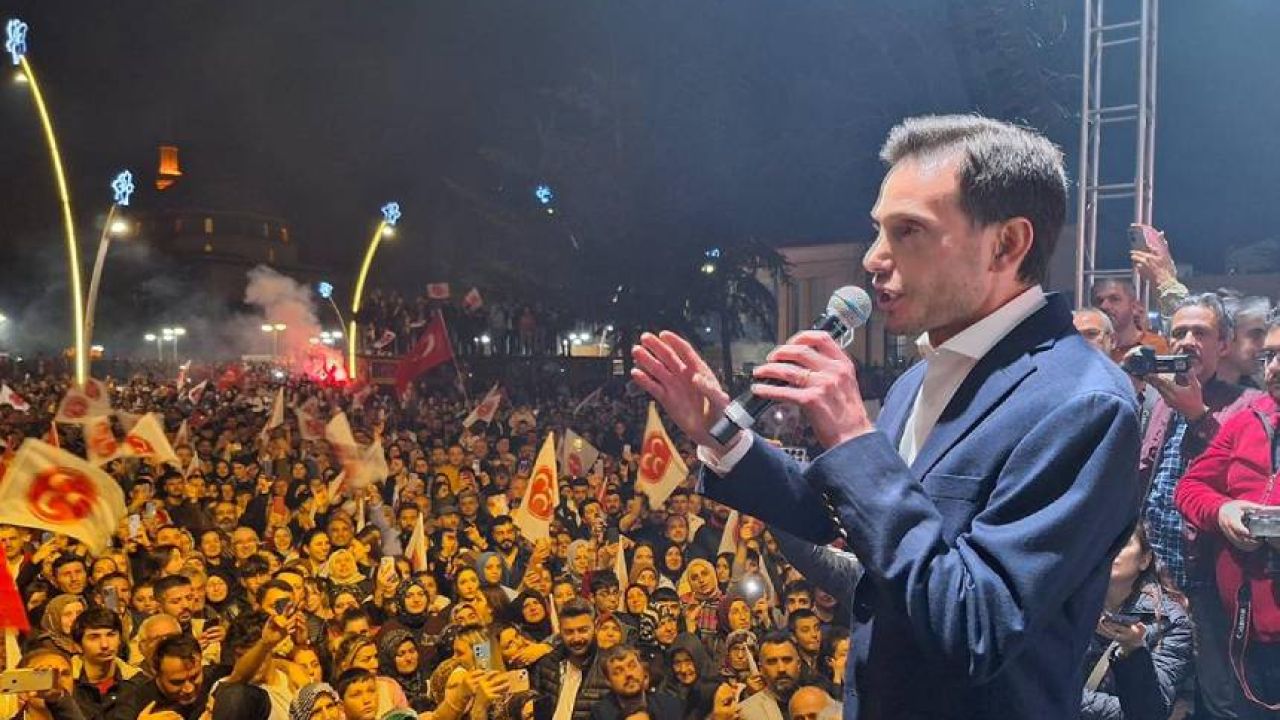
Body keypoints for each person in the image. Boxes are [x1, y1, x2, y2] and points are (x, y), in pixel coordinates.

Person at [632, 115, 1143, 718]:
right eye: (878, 230)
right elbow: (848, 522)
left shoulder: (1082, 403)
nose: (873, 258)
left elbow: (978, 627)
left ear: (1006, 244)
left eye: (908, 231)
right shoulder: (919, 379)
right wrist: (725, 437)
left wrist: (853, 439)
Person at [1175, 314, 1280, 718]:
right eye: (1269, 356)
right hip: (1244, 626)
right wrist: (1223, 510)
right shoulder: (1247, 419)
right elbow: (1190, 488)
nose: (1274, 368)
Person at [1079, 525, 1193, 719]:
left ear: (1144, 560)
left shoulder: (1169, 621)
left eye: (1122, 543)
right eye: (1105, 541)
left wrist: (1132, 650)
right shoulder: (1065, 604)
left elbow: (1150, 711)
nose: (1111, 549)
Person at [588, 644, 682, 720]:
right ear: (608, 681)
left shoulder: (670, 707)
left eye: (632, 666)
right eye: (618, 671)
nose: (628, 674)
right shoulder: (600, 715)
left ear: (643, 669)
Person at [1092, 279, 1170, 364]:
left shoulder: (1156, 345)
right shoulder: (1090, 345)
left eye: (1114, 299)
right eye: (1099, 301)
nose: (1104, 306)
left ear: (1134, 307)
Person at [738, 633, 803, 720]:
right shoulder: (746, 712)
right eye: (772, 662)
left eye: (787, 660)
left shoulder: (818, 702)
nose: (781, 669)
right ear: (761, 669)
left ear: (798, 664)